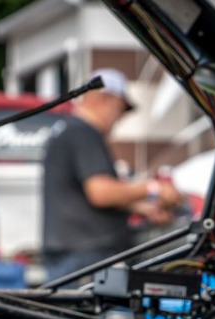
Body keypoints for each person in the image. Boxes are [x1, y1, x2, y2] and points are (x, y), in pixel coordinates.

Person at [40, 68, 182, 283]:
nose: (119, 119)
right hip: (88, 257)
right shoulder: (83, 132)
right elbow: (101, 193)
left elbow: (84, 197)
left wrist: (142, 208)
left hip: (72, 255)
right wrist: (153, 188)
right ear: (107, 100)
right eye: (120, 110)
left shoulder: (66, 130)